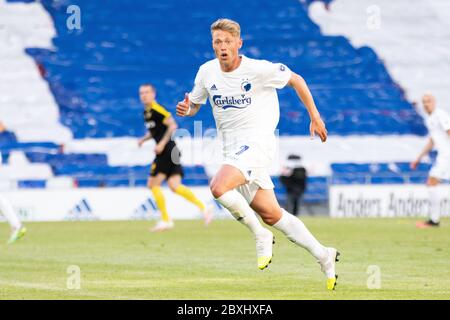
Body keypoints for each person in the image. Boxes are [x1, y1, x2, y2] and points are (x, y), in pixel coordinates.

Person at [176, 19, 339, 290]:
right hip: (232, 150)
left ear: (239, 44)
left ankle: (260, 236)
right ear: (213, 44)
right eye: (218, 42)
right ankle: (324, 255)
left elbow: (296, 80)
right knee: (273, 214)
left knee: (218, 186)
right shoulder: (206, 72)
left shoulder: (258, 69)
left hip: (257, 144)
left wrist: (315, 116)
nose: (223, 47)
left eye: (228, 42)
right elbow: (194, 104)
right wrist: (187, 110)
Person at [138, 84, 212, 232]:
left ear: (153, 94)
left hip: (167, 151)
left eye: (147, 92)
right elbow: (156, 130)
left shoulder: (157, 109)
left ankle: (166, 220)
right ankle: (204, 207)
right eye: (141, 93)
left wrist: (161, 144)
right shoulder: (147, 112)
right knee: (174, 186)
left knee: (152, 184)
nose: (143, 95)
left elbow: (172, 126)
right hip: (173, 152)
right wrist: (144, 139)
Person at [411, 94, 450, 228]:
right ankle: (434, 220)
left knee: (432, 182)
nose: (426, 104)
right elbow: (433, 141)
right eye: (424, 102)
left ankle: (434, 221)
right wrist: (418, 158)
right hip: (443, 155)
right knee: (432, 182)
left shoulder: (440, 115)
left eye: (428, 101)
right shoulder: (430, 119)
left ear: (434, 102)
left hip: (447, 155)